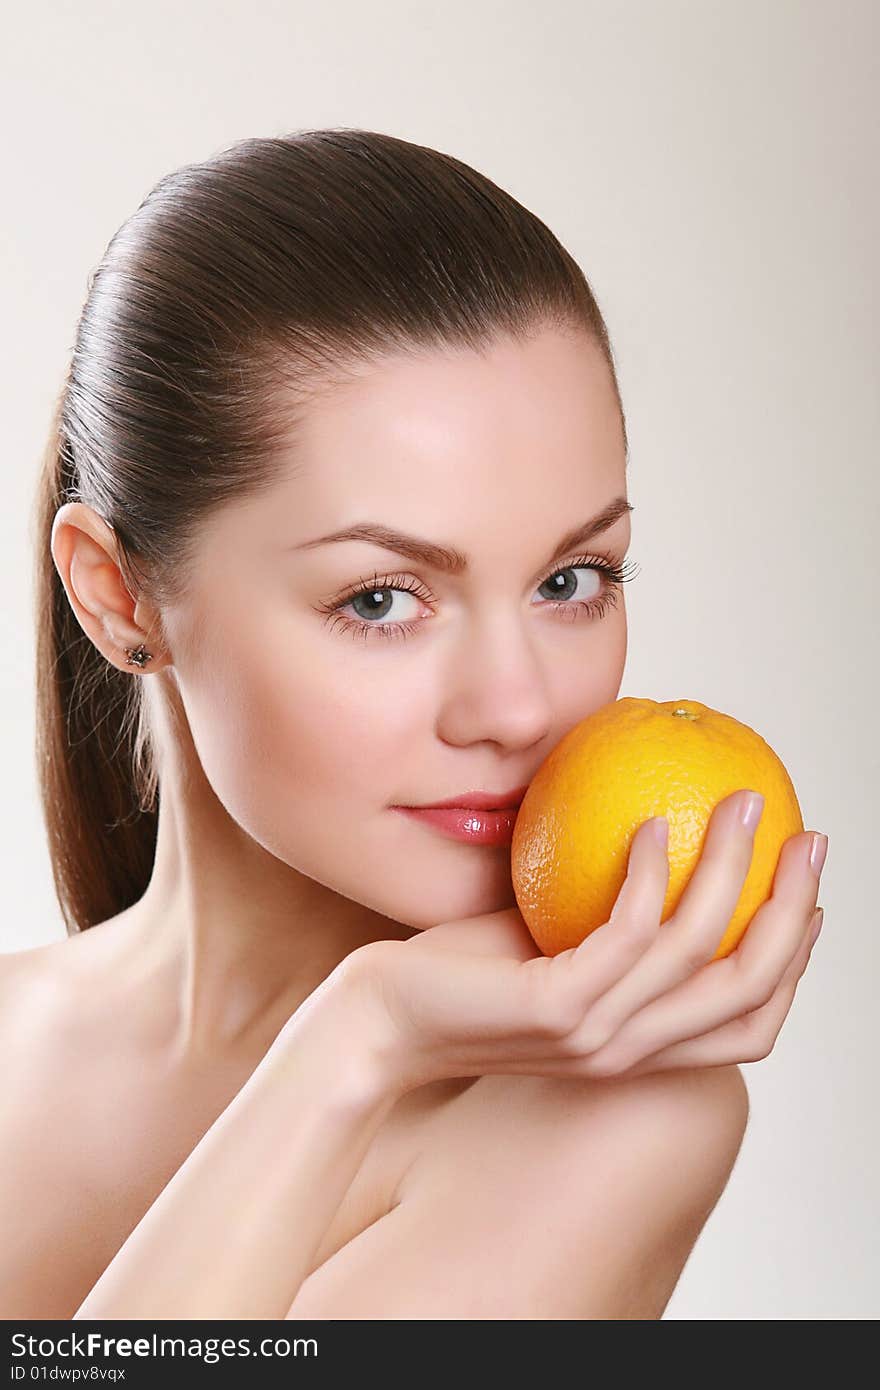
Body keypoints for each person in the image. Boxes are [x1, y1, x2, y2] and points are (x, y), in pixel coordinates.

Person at [1, 128, 826, 1321]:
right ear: (118, 594)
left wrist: (360, 1040)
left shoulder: (615, 1119)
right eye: (381, 598)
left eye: (571, 580)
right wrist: (356, 1038)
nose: (519, 706)